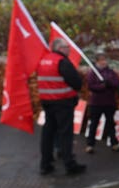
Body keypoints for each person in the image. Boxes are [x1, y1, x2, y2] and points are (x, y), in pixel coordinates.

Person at [37, 37, 86, 176]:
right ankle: (69, 164)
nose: (69, 50)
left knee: (48, 132)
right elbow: (76, 82)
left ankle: (45, 164)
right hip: (63, 103)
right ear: (60, 48)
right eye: (67, 47)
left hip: (47, 102)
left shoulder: (43, 60)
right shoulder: (62, 62)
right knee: (65, 133)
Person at [85, 53, 119, 153]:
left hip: (109, 102)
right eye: (101, 60)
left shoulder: (110, 72)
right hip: (96, 103)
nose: (104, 62)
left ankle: (114, 143)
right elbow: (91, 86)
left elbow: (117, 83)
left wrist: (109, 83)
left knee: (110, 123)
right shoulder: (92, 72)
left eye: (105, 60)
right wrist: (103, 86)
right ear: (97, 62)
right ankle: (90, 144)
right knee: (94, 124)